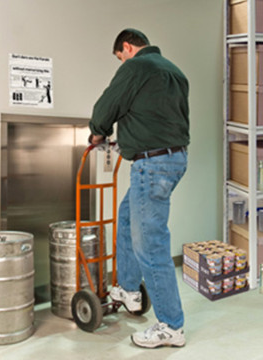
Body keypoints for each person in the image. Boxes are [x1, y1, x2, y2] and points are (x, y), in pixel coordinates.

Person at [88, 28, 190, 349]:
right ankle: (129, 290)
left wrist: (97, 133)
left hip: (152, 165)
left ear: (128, 48)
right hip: (174, 159)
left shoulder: (136, 67)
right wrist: (129, 141)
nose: (122, 61)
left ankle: (171, 326)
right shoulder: (174, 71)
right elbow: (157, 119)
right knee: (127, 215)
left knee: (150, 243)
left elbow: (108, 105)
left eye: (121, 56)